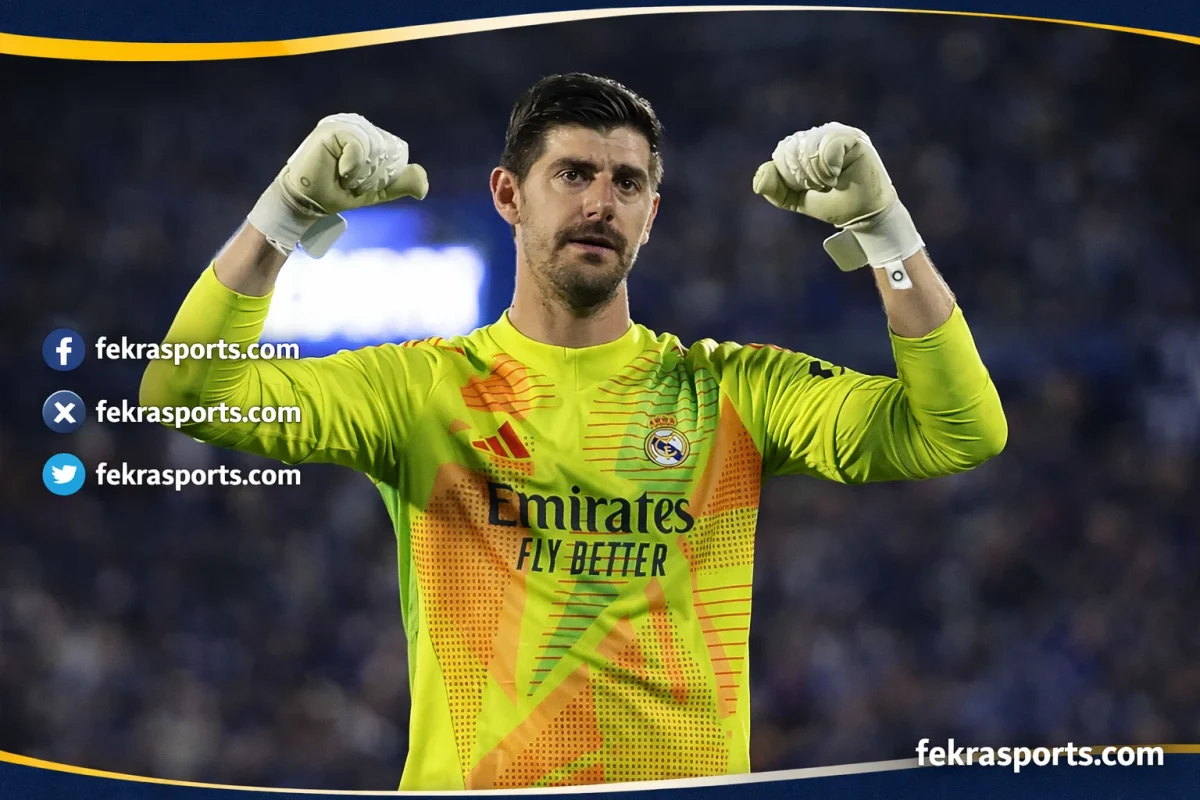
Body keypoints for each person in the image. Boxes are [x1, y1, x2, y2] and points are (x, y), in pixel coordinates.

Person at [141, 72, 1006, 791]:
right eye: (574, 174)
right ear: (508, 196)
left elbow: (958, 430)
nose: (601, 202)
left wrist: (885, 234)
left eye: (627, 183)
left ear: (652, 214)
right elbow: (186, 392)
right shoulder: (421, 391)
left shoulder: (730, 391)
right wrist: (284, 216)